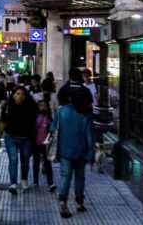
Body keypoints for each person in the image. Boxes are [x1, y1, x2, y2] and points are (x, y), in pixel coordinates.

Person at [51, 85, 96, 218]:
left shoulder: (61, 111)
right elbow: (90, 137)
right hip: (81, 151)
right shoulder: (85, 115)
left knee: (65, 176)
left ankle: (63, 201)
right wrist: (91, 155)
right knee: (80, 177)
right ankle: (79, 202)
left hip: (64, 150)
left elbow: (52, 128)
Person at [0, 86, 38, 194]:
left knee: (25, 160)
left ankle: (24, 180)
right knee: (13, 159)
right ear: (13, 95)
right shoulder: (8, 106)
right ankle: (13, 183)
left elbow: (36, 118)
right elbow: (3, 122)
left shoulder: (30, 106)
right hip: (11, 137)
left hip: (27, 138)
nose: (20, 96)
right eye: (18, 94)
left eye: (22, 94)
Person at [32, 99, 56, 192]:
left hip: (46, 144)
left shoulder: (49, 118)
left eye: (45, 105)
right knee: (36, 162)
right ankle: (35, 180)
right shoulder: (34, 117)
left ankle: (50, 182)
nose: (43, 107)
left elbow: (52, 130)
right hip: (36, 143)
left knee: (48, 163)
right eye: (41, 105)